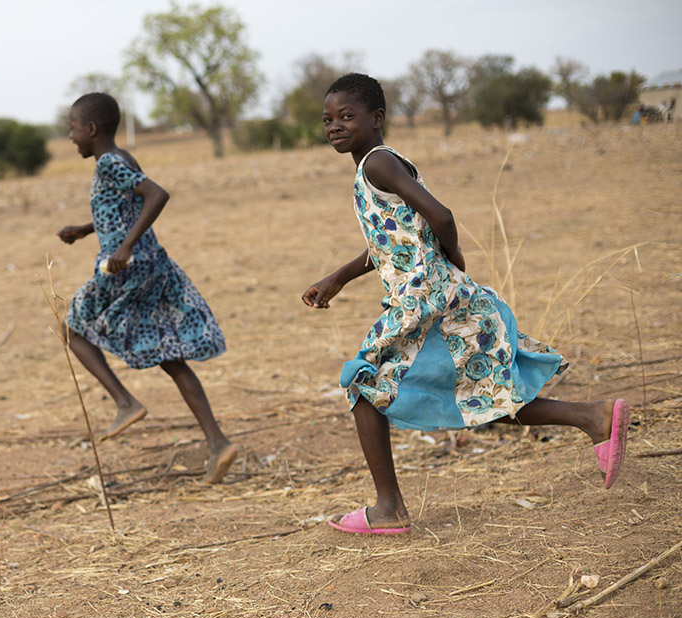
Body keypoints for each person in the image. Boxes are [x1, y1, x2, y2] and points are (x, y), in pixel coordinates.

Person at [301, 73, 628, 534]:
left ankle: (388, 509)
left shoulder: (377, 164)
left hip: (424, 300)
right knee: (480, 388)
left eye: (346, 116)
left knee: (362, 383)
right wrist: (338, 277)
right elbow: (396, 242)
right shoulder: (378, 166)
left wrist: (453, 260)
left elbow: (441, 216)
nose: (334, 126)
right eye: (327, 119)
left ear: (377, 118)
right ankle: (592, 417)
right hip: (440, 294)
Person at [56, 92, 237, 483]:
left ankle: (125, 402)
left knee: (70, 328)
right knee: (169, 355)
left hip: (128, 268)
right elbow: (126, 209)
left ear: (90, 129)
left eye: (72, 128)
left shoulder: (108, 163)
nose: (70, 137)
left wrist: (123, 247)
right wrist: (85, 230)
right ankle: (218, 444)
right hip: (150, 263)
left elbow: (157, 195)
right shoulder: (122, 158)